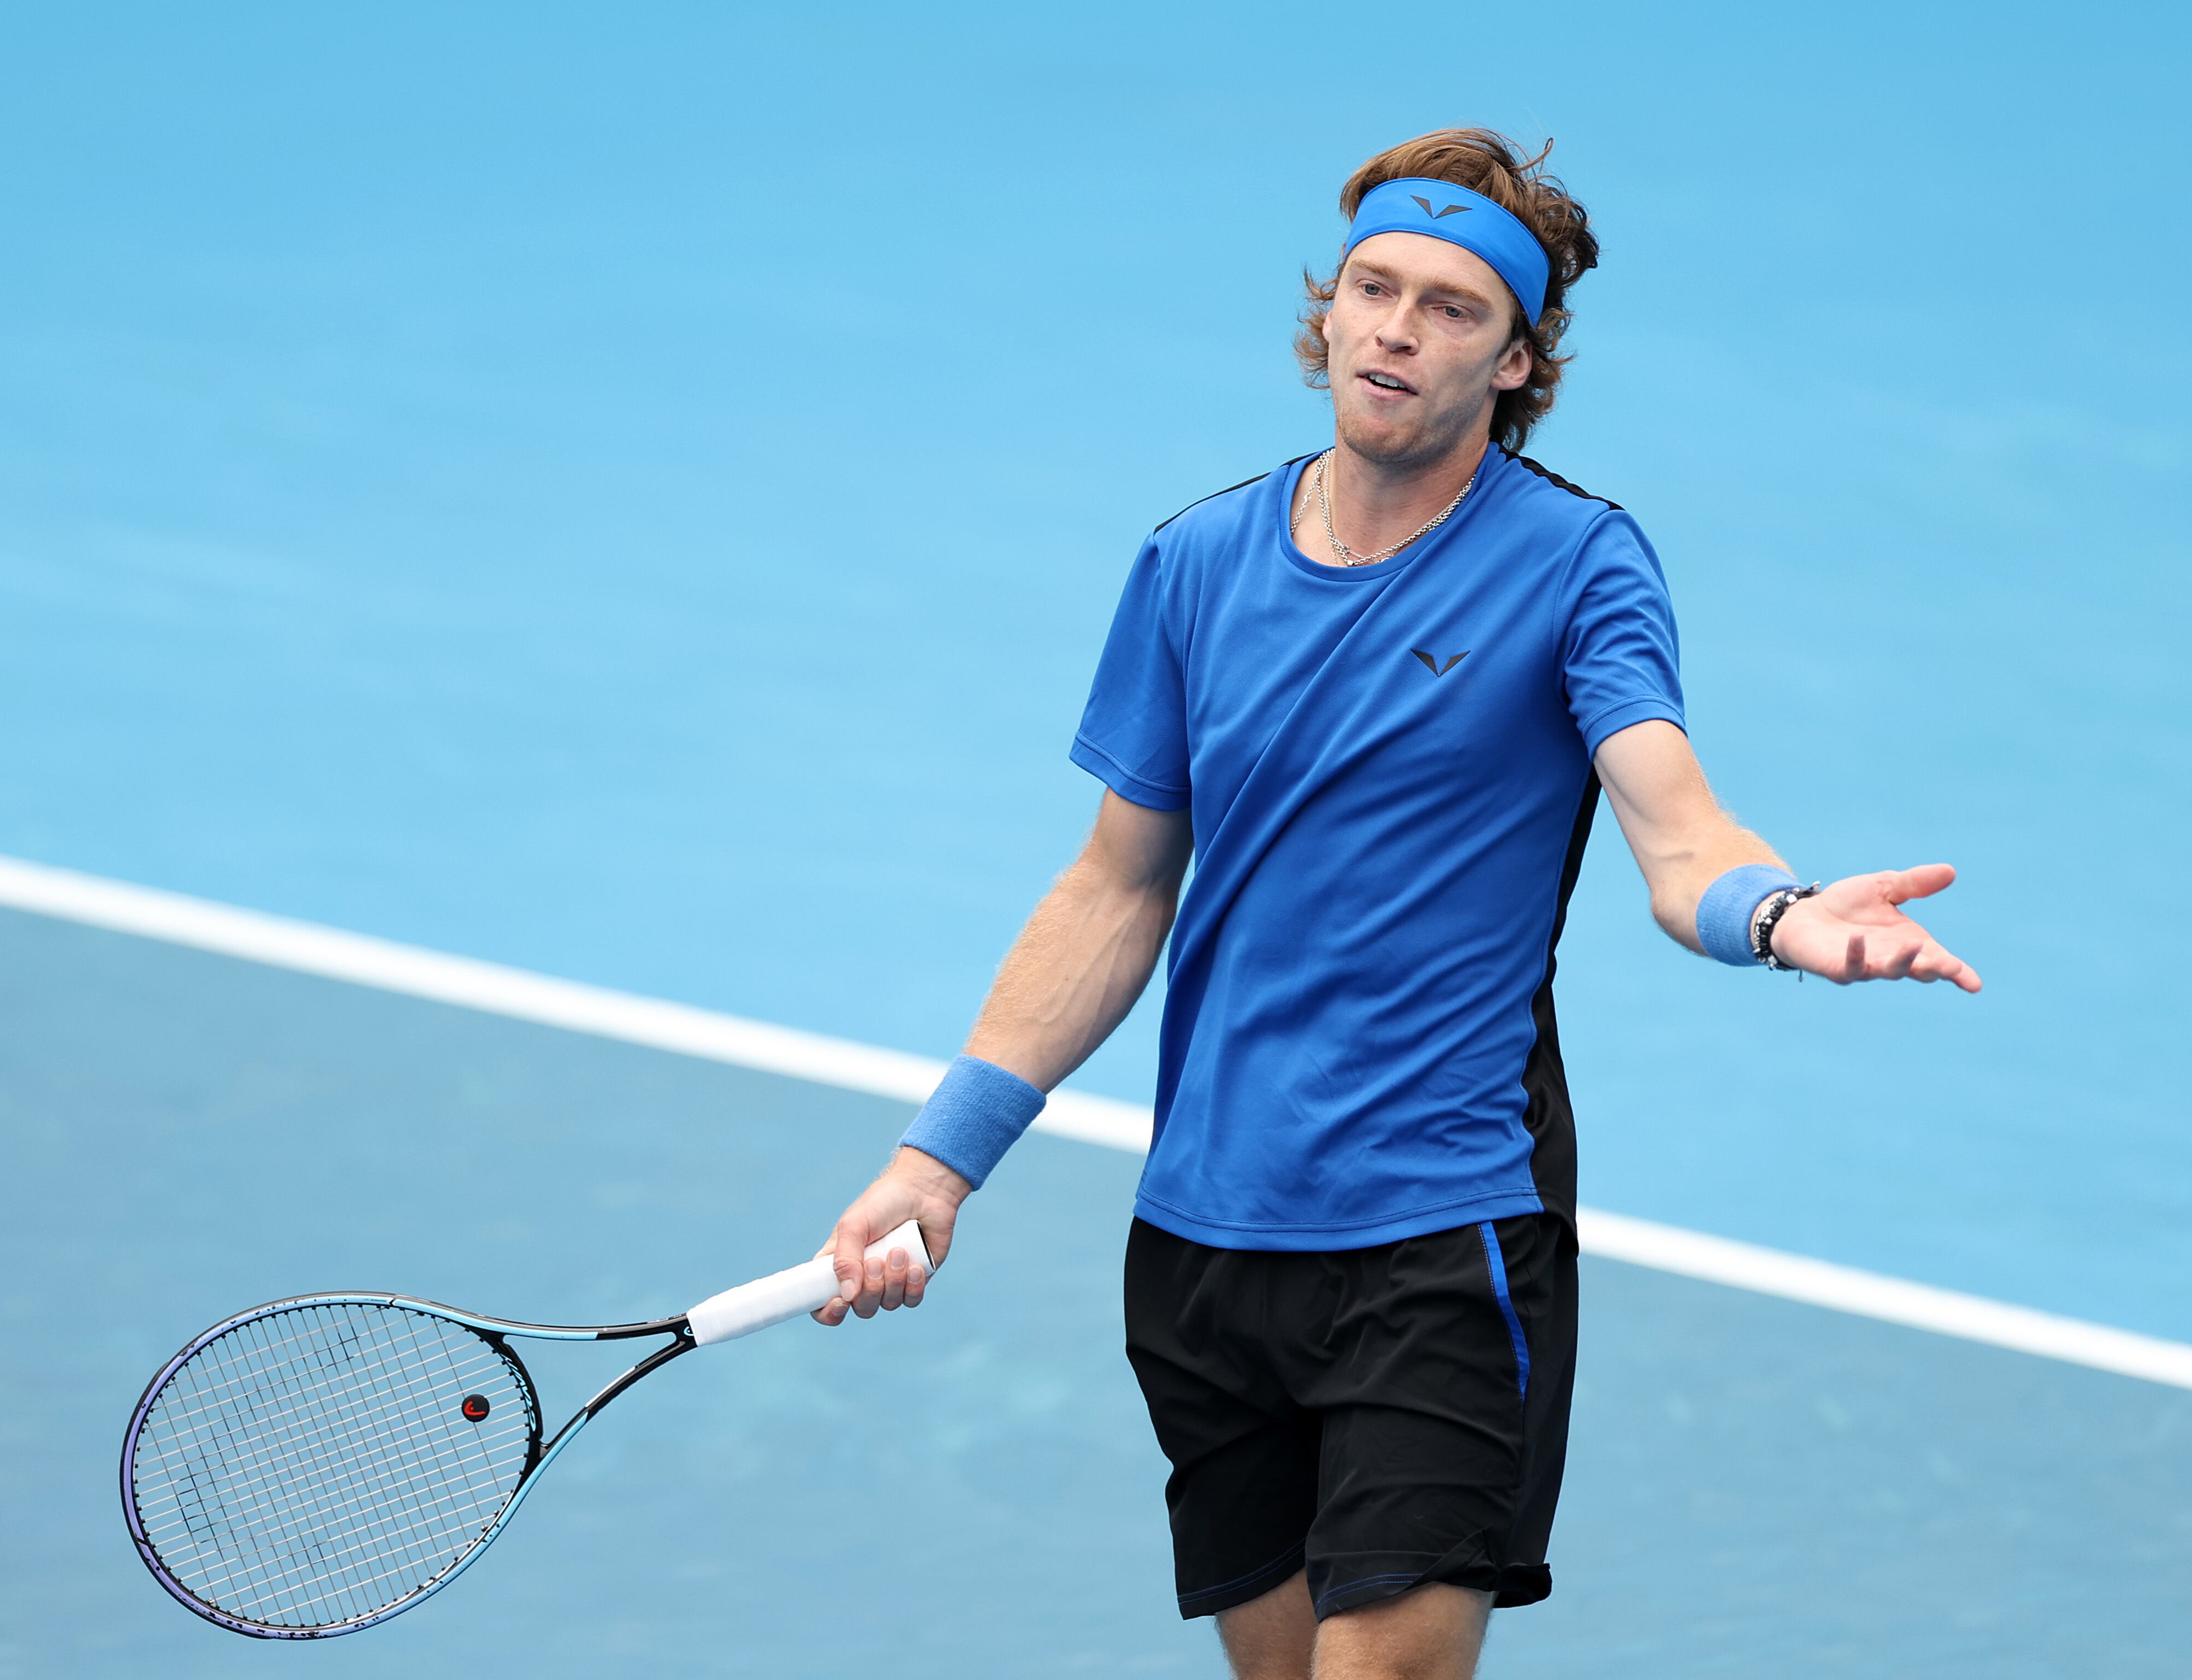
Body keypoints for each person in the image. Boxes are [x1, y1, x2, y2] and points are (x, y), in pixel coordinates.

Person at [811, 127, 1980, 1680]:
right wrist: (939, 1155)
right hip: (1206, 1237)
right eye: (1374, 288)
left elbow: (1678, 831)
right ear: (1331, 309)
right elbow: (1116, 884)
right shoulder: (1195, 563)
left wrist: (1782, 916)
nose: (1397, 329)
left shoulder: (1577, 568)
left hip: (1441, 1227)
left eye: (1451, 307)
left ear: (1516, 361)